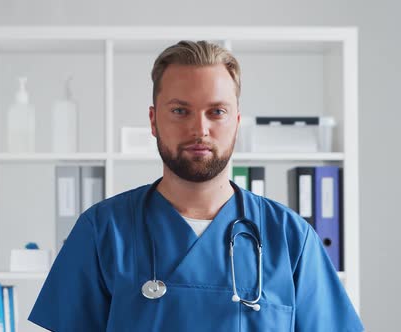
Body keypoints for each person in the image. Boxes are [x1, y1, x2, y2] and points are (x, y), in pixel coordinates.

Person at [28, 40, 364, 331]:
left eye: (216, 111)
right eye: (179, 110)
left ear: (235, 122)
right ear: (153, 120)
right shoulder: (102, 231)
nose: (199, 129)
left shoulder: (289, 238)